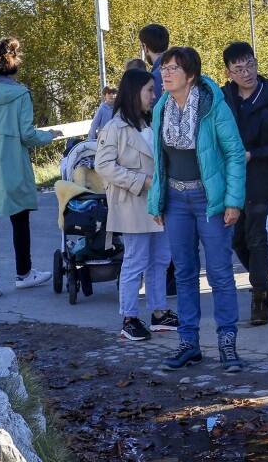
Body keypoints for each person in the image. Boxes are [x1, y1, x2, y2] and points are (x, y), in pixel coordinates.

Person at [146, 47, 247, 372]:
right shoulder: (161, 106)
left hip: (210, 201)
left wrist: (233, 201)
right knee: (185, 273)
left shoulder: (211, 105)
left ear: (190, 75)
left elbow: (234, 154)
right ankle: (188, 344)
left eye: (173, 69)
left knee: (219, 274)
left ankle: (227, 345)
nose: (165, 74)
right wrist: (156, 201)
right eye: (164, 68)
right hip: (176, 201)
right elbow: (159, 160)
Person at [0, 37, 63, 300]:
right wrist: (51, 135)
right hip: (13, 164)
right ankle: (24, 273)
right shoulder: (21, 94)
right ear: (15, 64)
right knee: (20, 220)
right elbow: (27, 135)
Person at [96, 68, 178, 341]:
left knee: (160, 259)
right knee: (136, 261)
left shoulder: (149, 122)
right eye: (149, 91)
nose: (153, 96)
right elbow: (104, 166)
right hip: (132, 205)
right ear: (134, 93)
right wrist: (141, 181)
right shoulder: (114, 127)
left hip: (155, 203)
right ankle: (129, 317)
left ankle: (158, 312)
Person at [221, 41, 268, 326]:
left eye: (249, 65)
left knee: (255, 234)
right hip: (232, 176)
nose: (246, 73)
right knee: (237, 238)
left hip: (263, 175)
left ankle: (259, 299)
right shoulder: (223, 99)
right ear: (228, 73)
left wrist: (254, 153)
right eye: (238, 69)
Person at [138, 24, 177, 298]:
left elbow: (153, 115)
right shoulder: (180, 67)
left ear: (144, 47)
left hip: (163, 149)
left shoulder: (154, 77)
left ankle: (170, 277)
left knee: (166, 213)